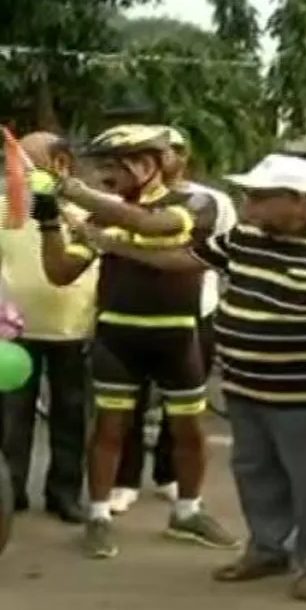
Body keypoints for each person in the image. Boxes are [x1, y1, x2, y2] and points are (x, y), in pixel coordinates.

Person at [91, 153, 306, 599]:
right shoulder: (246, 236)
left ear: (302, 201)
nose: (248, 205)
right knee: (256, 472)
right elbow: (182, 259)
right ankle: (268, 548)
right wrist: (111, 244)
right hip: (247, 385)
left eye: (261, 197)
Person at [42, 124, 236, 557]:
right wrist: (47, 220)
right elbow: (60, 272)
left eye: (112, 167)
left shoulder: (194, 202)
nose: (105, 178)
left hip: (178, 333)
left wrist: (72, 192)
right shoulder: (105, 214)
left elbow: (151, 225)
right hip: (117, 334)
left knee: (188, 429)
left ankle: (187, 512)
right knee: (110, 428)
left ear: (146, 165)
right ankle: (98, 516)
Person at [110, 127, 238, 514]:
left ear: (182, 157)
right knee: (125, 401)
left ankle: (169, 475)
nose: (167, 157)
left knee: (181, 405)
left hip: (195, 311)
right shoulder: (119, 200)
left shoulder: (209, 200)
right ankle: (123, 480)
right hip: (130, 314)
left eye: (174, 151)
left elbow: (221, 251)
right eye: (159, 151)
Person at [0, 132, 95, 524]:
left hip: (75, 329)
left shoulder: (90, 208)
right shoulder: (0, 207)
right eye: (14, 160)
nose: (17, 168)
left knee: (71, 416)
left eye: (27, 161)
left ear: (61, 164)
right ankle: (8, 492)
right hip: (15, 331)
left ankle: (65, 495)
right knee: (11, 417)